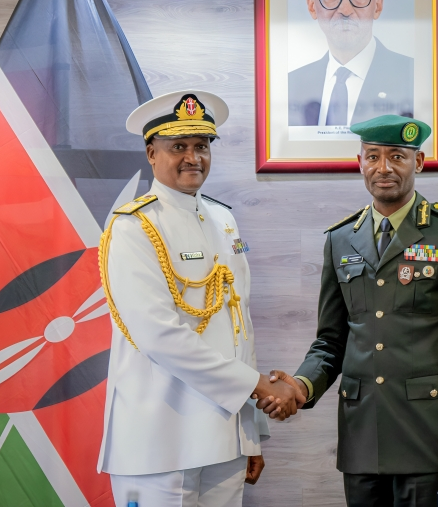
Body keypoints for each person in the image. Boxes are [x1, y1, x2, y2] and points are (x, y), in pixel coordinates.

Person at [258, 115, 438, 507]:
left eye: (397, 156)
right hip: (362, 439)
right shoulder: (340, 239)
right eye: (373, 157)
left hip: (428, 441)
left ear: (417, 163)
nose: (383, 168)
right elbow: (331, 342)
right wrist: (300, 386)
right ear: (360, 161)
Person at [96, 90, 304, 507]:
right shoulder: (134, 226)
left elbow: (238, 328)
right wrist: (257, 386)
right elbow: (159, 336)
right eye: (179, 147)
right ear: (151, 154)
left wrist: (251, 438)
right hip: (159, 440)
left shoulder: (222, 219)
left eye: (202, 146)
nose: (193, 157)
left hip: (223, 440)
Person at [288, 0, 415, 127]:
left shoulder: (413, 76)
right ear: (312, 6)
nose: (345, 10)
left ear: (377, 6)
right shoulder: (291, 84)